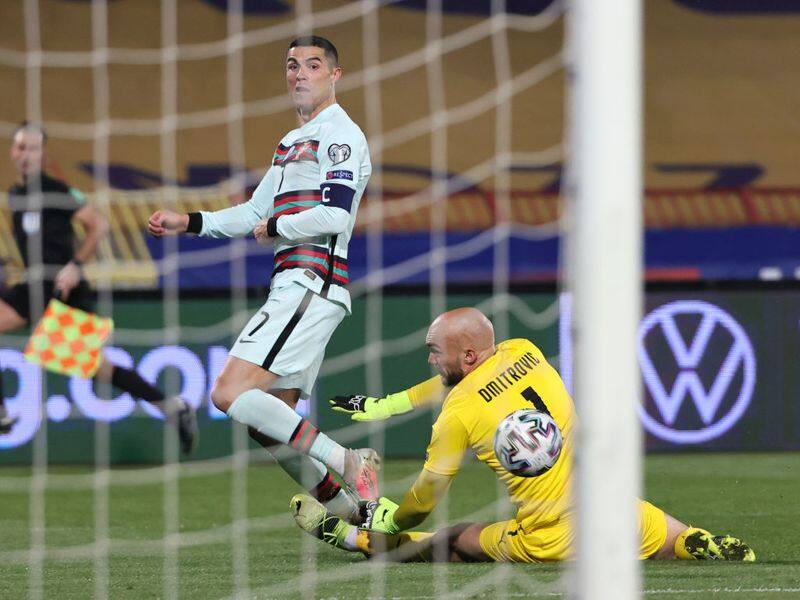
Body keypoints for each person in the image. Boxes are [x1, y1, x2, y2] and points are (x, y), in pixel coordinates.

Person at [291, 307, 755, 563]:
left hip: (553, 536)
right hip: (614, 509)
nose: (431, 360)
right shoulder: (523, 350)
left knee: (453, 539)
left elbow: (424, 499)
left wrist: (390, 518)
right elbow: (458, 383)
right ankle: (696, 539)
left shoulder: (458, 415)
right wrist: (387, 404)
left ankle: (351, 538)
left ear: (468, 355)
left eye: (435, 352)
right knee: (668, 538)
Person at [147, 36, 378, 519]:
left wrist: (277, 227)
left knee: (229, 392)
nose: (299, 73)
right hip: (295, 285)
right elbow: (254, 210)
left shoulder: (340, 134)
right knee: (269, 422)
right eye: (292, 65)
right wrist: (189, 222)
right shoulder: (291, 142)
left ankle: (347, 459)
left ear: (335, 75)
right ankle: (354, 516)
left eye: (313, 65)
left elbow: (335, 216)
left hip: (310, 284)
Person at [0, 122, 198, 452]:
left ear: (43, 155)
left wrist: (76, 266)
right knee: (96, 367)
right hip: (34, 287)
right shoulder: (16, 195)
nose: (25, 155)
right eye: (20, 147)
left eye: (32, 148)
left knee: (96, 368)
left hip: (64, 290)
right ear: (12, 151)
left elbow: (99, 224)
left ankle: (173, 407)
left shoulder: (57, 190)